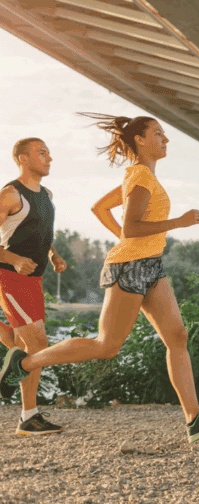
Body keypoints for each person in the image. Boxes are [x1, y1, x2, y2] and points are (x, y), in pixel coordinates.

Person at [0, 114, 199, 442]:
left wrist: (129, 240)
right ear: (139, 140)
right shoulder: (139, 177)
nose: (165, 139)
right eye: (158, 134)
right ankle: (24, 364)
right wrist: (176, 223)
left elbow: (100, 209)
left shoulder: (141, 177)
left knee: (177, 336)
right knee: (106, 345)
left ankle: (195, 419)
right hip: (128, 268)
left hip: (150, 264)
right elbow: (132, 227)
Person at [0, 138, 66, 435]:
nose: (49, 158)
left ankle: (29, 414)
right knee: (37, 344)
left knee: (20, 342)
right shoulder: (10, 195)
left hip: (34, 279)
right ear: (22, 159)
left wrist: (54, 254)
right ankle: (29, 416)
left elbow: (41, 230)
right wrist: (13, 259)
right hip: (9, 276)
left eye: (49, 153)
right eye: (42, 153)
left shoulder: (47, 195)